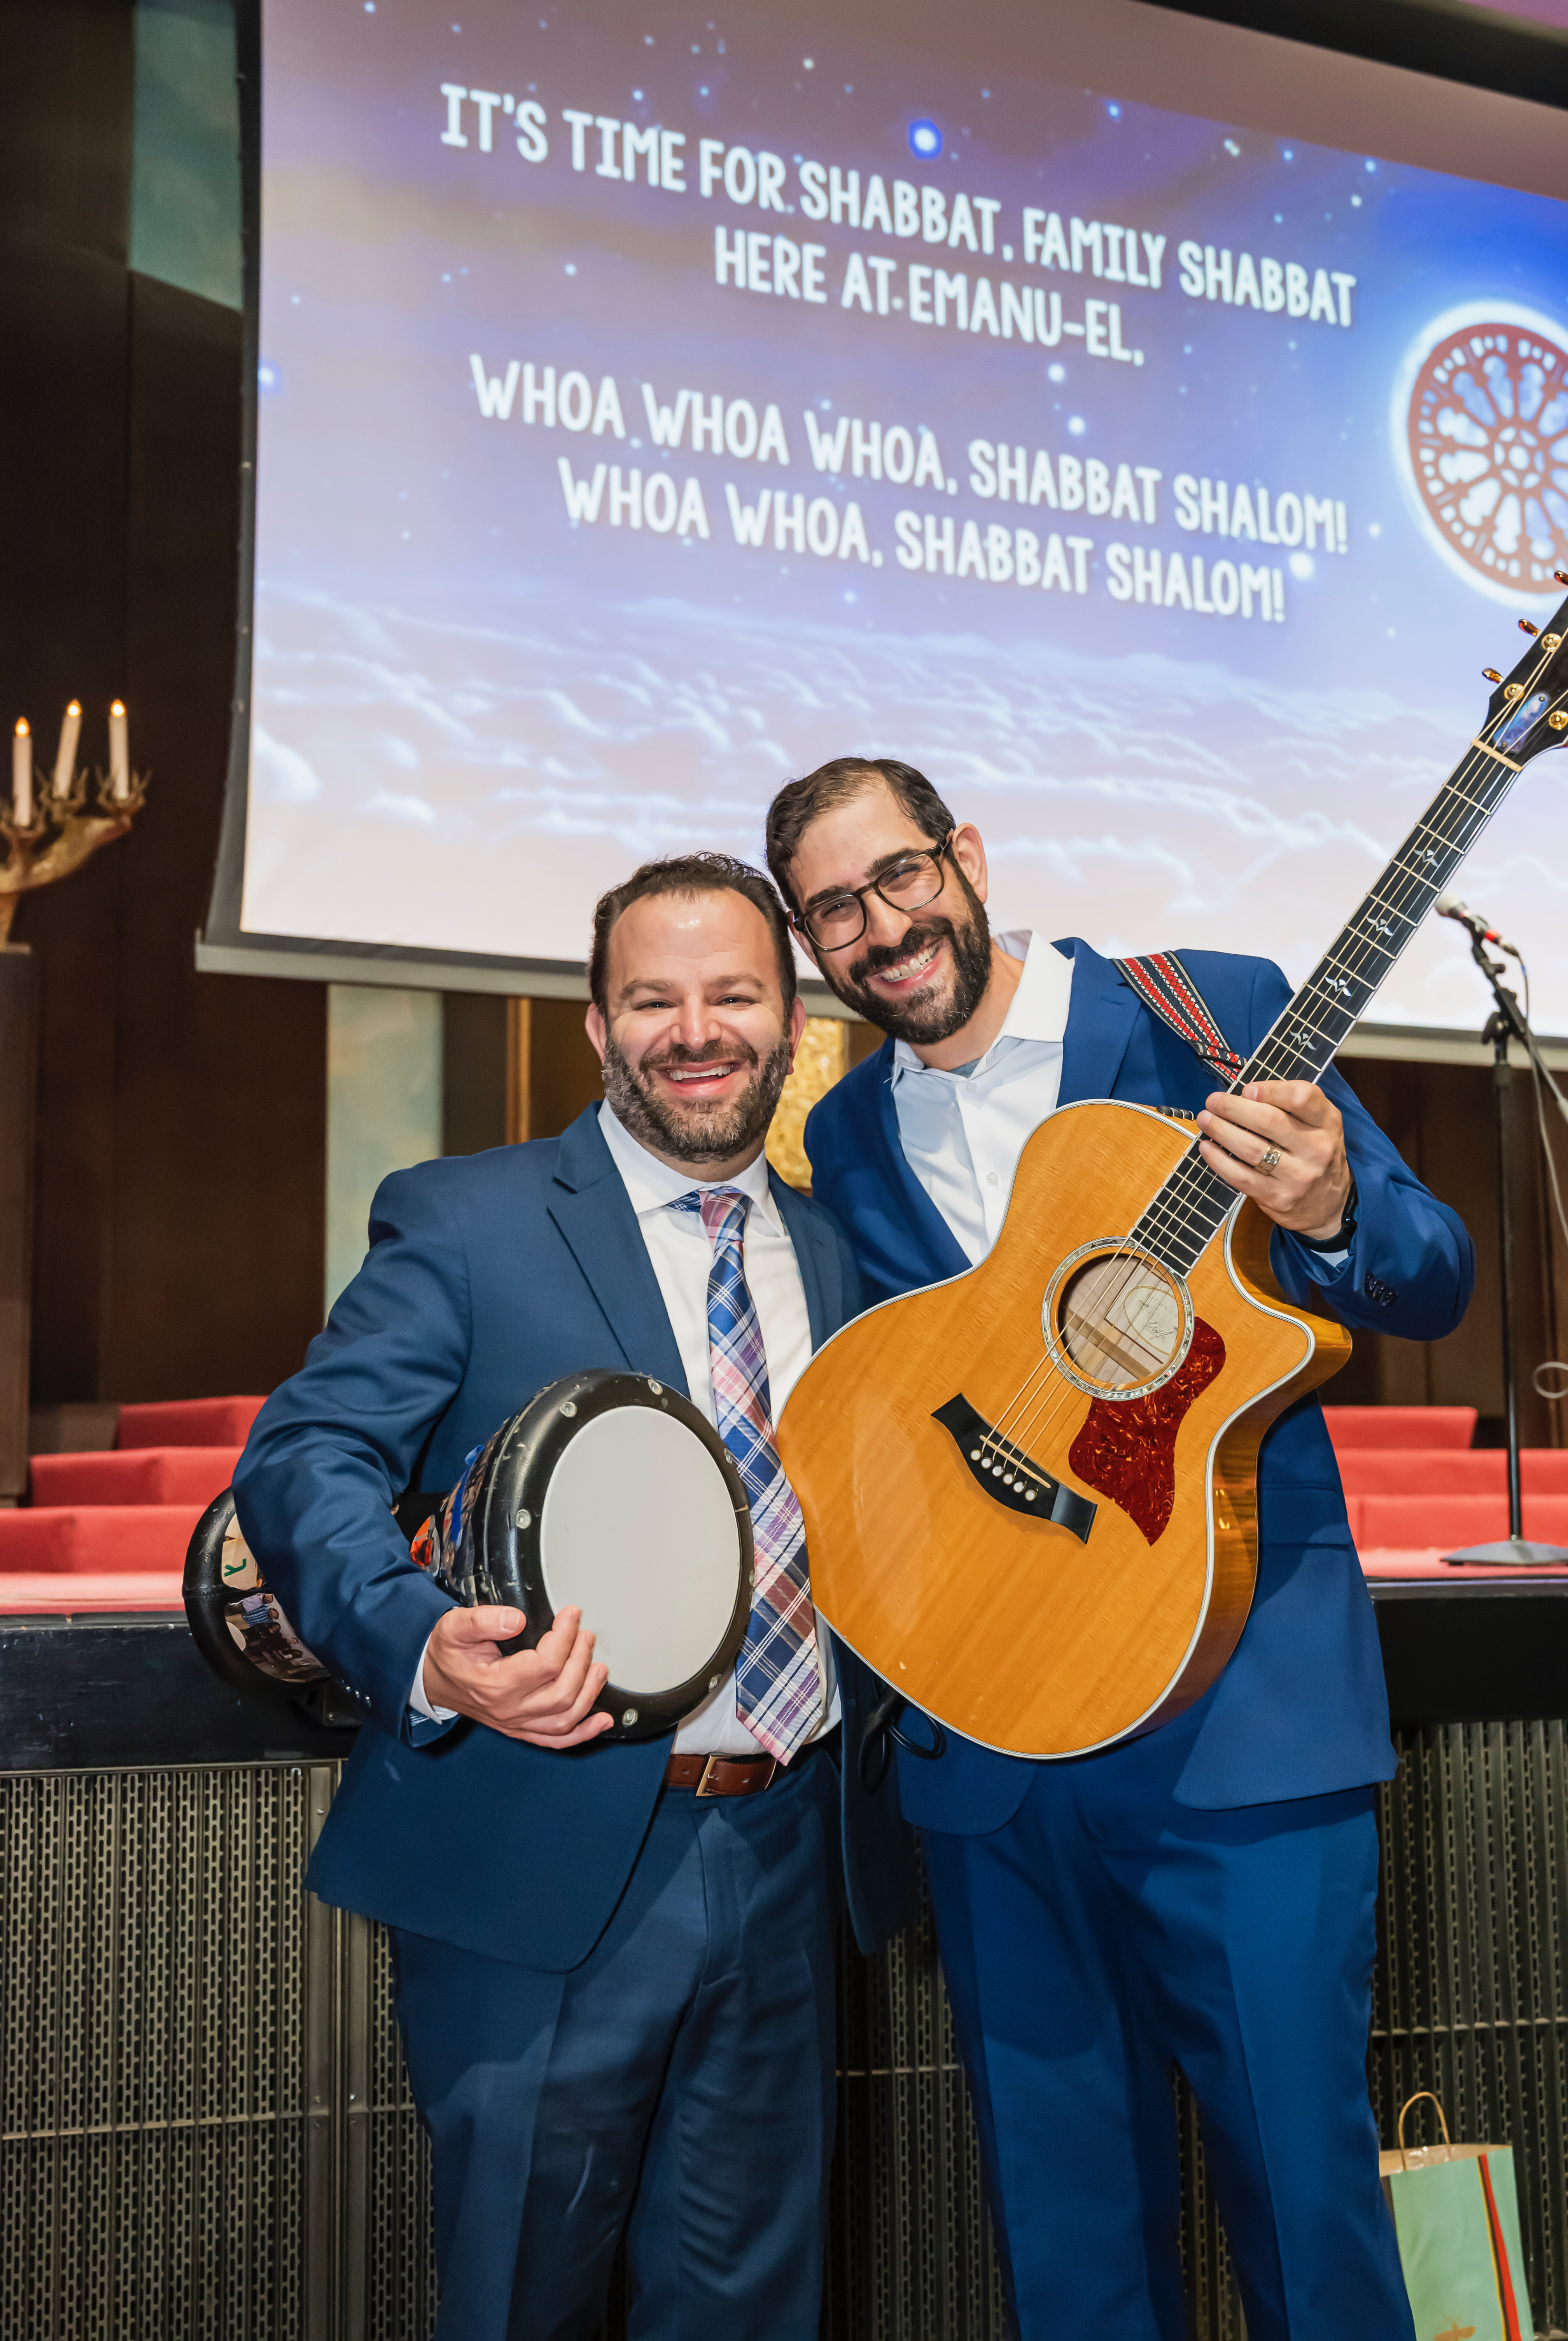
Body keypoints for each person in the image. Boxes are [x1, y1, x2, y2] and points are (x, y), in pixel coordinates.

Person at [763, 756, 1474, 2341]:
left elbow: (1429, 1277)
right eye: (834, 911)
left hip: (1242, 1733)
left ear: (968, 855)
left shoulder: (1208, 1013)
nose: (881, 929)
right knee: (1064, 2233)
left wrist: (1343, 1197)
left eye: (899, 877)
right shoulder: (850, 1135)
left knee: (1308, 2204)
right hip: (992, 1750)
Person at [233, 852, 917, 2341]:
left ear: (792, 1018)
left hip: (793, 1844)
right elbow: (306, 1455)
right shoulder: (468, 1219)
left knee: (751, 2312)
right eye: (651, 1000)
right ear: (598, 1030)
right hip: (541, 1857)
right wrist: (426, 1650)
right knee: (520, 2304)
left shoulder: (846, 1261)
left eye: (732, 993)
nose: (695, 1029)